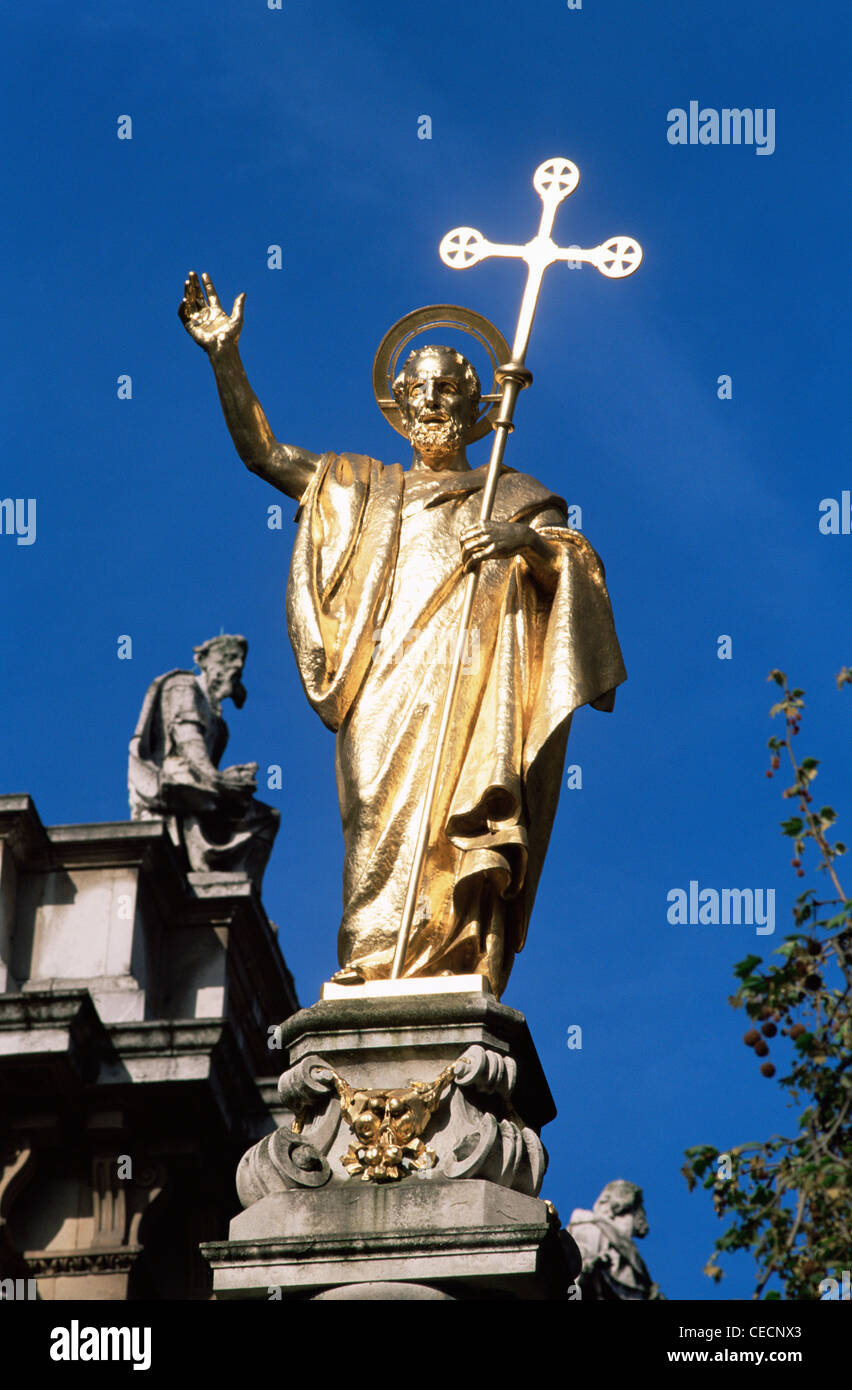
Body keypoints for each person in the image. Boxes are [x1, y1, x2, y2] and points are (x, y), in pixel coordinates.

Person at [178, 272, 625, 994]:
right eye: (418, 387)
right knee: (374, 820)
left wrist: (521, 541)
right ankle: (373, 954)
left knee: (461, 820)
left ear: (479, 404)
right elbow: (265, 454)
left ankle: (452, 958)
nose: (432, 400)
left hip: (474, 684)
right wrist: (224, 358)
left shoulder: (514, 495)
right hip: (381, 684)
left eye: (448, 387)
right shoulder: (361, 484)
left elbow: (578, 570)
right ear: (399, 403)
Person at [129, 633, 279, 889]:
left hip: (205, 785)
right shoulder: (184, 686)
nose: (237, 666)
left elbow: (206, 763)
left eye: (240, 661)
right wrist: (219, 780)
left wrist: (232, 777)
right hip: (174, 782)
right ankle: (203, 867)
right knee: (198, 795)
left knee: (266, 817)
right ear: (207, 661)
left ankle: (243, 891)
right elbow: (188, 740)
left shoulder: (220, 726)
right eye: (229, 658)